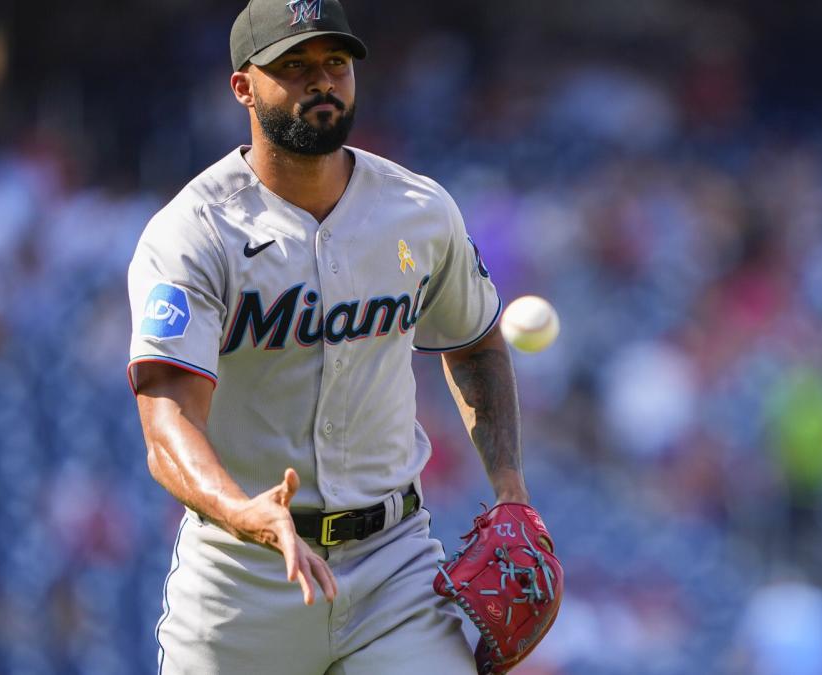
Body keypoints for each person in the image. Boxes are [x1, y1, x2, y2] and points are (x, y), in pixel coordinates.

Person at [125, 1, 529, 672]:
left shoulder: (418, 209)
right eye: (294, 66)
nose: (322, 80)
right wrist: (244, 511)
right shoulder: (195, 231)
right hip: (245, 576)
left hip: (395, 567)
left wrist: (510, 488)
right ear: (243, 87)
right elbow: (166, 422)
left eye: (335, 63)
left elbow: (477, 340)